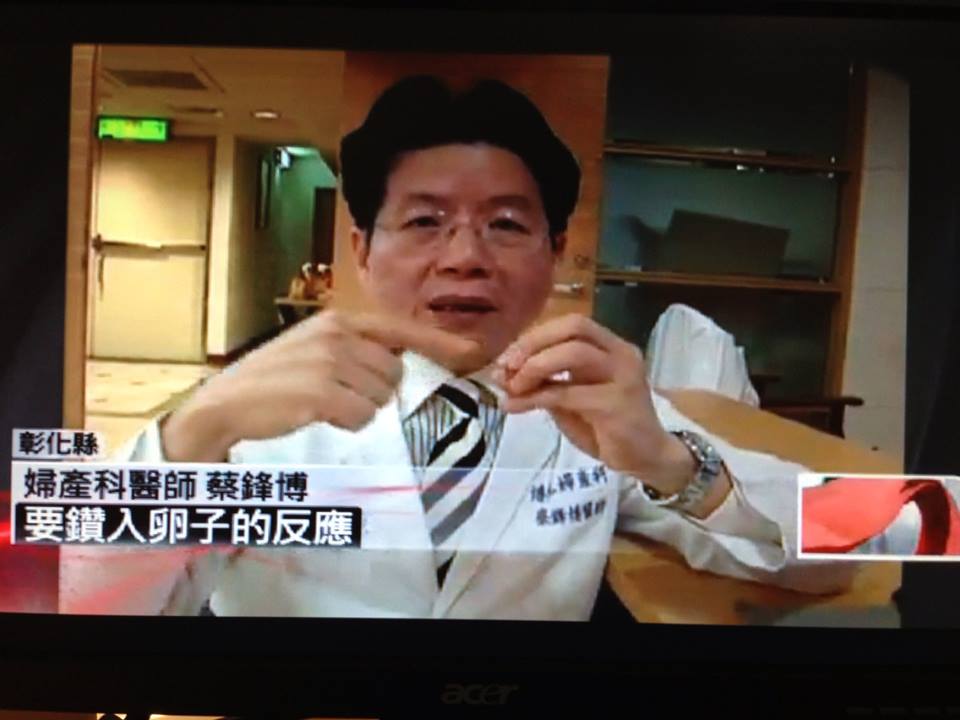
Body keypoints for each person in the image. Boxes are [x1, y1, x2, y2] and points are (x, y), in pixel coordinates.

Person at [60, 75, 856, 620]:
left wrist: (672, 463)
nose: (466, 257)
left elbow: (862, 537)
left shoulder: (595, 408)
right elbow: (68, 603)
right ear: (362, 248)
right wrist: (193, 431)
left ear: (555, 250)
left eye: (506, 224)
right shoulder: (256, 413)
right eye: (424, 221)